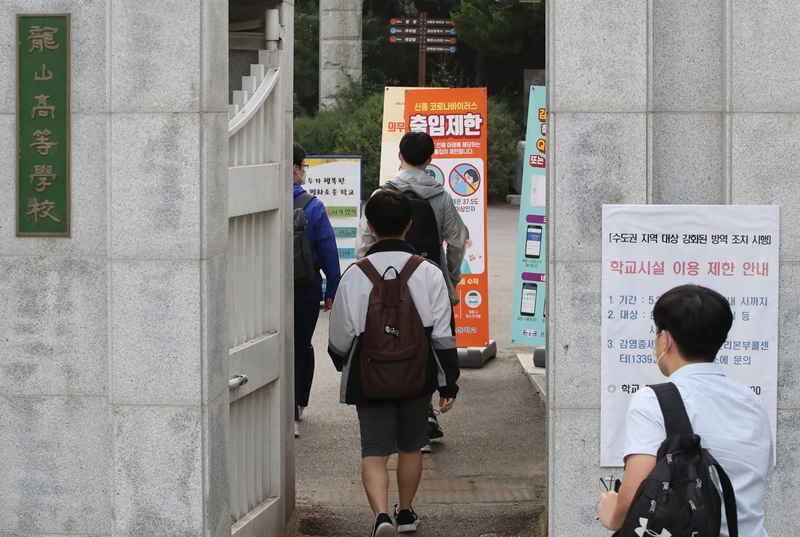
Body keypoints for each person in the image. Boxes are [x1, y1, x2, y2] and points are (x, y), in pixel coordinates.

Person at [329, 189, 460, 537]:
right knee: (411, 445)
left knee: (373, 450)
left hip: (369, 373)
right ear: (409, 225)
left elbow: (339, 338)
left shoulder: (354, 275)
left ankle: (381, 516)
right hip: (417, 374)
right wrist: (449, 382)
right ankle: (405, 513)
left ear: (370, 226)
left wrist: (344, 364)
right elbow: (443, 335)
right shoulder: (429, 272)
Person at [598, 284, 774, 536]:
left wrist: (611, 514)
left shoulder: (653, 400)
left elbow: (633, 500)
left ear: (665, 339)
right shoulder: (753, 404)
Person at [356, 131, 469, 447]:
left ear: (400, 156)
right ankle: (423, 411)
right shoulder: (441, 196)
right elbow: (458, 240)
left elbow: (363, 244)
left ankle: (390, 407)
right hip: (430, 280)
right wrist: (450, 276)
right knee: (431, 341)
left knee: (390, 340)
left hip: (386, 285)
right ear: (430, 159)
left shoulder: (382, 194)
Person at [292, 142, 341, 438]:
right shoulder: (312, 205)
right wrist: (331, 289)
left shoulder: (258, 200)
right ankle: (296, 407)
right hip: (304, 288)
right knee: (300, 345)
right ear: (295, 168)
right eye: (303, 166)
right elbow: (328, 251)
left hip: (264, 288)